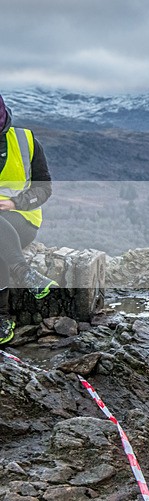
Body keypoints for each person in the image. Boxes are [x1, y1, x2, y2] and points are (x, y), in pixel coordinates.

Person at [0, 94, 59, 345]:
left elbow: (44, 188)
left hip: (21, 220)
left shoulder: (25, 141)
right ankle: (25, 275)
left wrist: (15, 203)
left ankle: (1, 317)